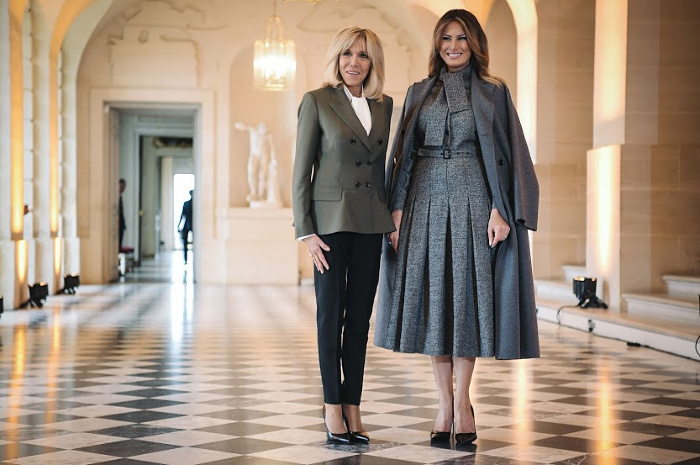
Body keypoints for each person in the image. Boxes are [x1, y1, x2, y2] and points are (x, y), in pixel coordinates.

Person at [374, 9, 540, 445]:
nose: (453, 46)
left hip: (474, 202)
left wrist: (501, 209)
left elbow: (507, 155)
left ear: (475, 44)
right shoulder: (417, 92)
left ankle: (463, 401)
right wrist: (395, 209)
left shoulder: (493, 92)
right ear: (436, 43)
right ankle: (443, 403)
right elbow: (403, 156)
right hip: (423, 202)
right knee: (434, 303)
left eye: (462, 38)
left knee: (463, 302)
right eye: (446, 38)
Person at [292, 26, 394, 445]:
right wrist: (306, 232)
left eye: (364, 55)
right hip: (330, 227)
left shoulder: (386, 106)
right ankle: (331, 405)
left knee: (359, 321)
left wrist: (393, 218)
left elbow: (388, 168)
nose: (354, 62)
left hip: (371, 224)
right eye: (348, 53)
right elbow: (301, 171)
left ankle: (354, 405)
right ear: (337, 58)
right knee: (329, 317)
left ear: (373, 63)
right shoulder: (317, 101)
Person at [235, 122, 276, 204]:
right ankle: (253, 192)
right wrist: (241, 126)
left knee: (262, 175)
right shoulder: (254, 131)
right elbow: (246, 126)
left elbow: (272, 147)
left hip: (264, 155)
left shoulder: (268, 135)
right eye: (262, 130)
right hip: (254, 154)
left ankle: (261, 194)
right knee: (251, 172)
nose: (263, 133)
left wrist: (273, 159)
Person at [177, 190, 193, 264]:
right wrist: (179, 225)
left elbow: (182, 216)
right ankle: (186, 259)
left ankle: (186, 259)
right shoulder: (189, 203)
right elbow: (182, 216)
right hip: (189, 225)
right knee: (185, 243)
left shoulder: (187, 203)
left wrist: (179, 225)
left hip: (188, 225)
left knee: (185, 243)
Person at [118, 178, 126, 250]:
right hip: (118, 225)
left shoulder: (120, 197)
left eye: (124, 187)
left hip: (121, 225)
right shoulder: (116, 198)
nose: (123, 188)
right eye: (121, 186)